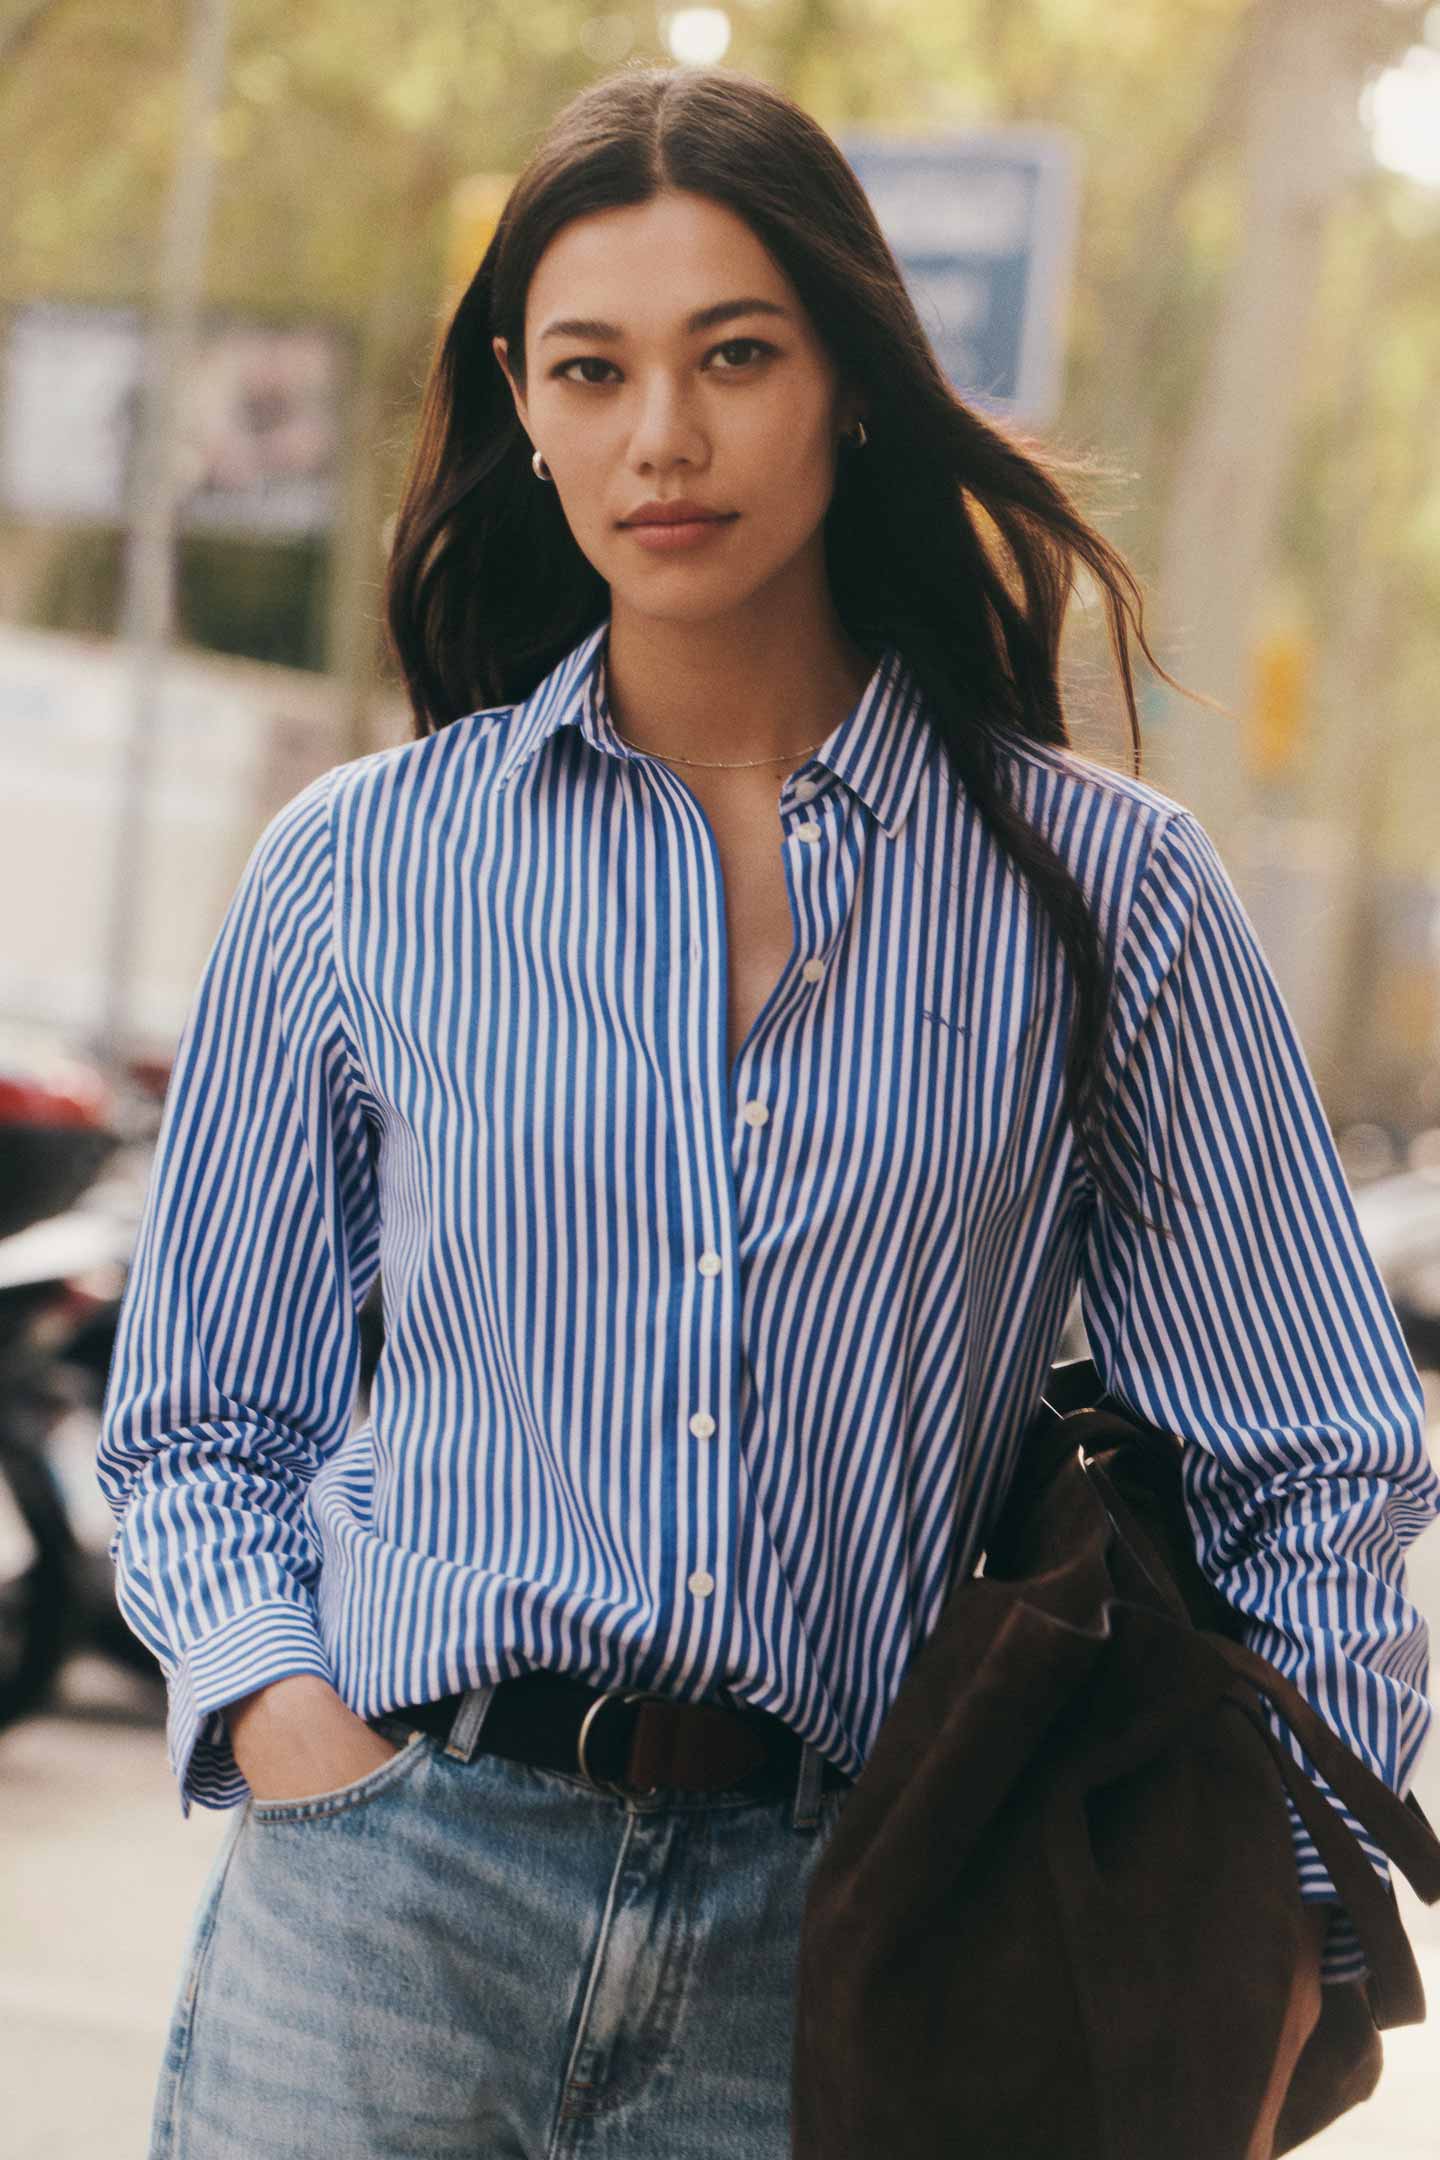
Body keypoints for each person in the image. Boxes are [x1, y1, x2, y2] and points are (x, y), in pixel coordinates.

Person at [96, 60, 1438, 2160]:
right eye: (591, 369)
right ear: (523, 416)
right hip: (391, 1908)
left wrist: (1258, 1916)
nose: (664, 436)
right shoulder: (358, 873)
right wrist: (293, 1732)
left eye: (736, 355)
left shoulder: (1105, 897)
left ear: (857, 384)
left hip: (869, 1937)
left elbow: (1318, 1454)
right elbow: (196, 1423)